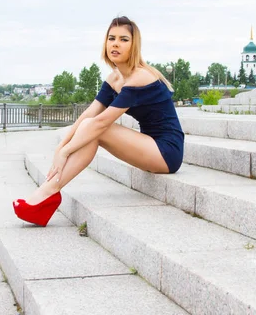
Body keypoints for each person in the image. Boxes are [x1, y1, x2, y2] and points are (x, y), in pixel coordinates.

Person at [13, 16, 185, 226]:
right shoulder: (114, 78)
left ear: (134, 45)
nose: (115, 43)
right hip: (147, 146)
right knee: (89, 126)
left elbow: (101, 122)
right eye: (111, 38)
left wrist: (65, 152)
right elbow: (88, 114)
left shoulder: (141, 77)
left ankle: (48, 192)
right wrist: (60, 146)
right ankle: (47, 194)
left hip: (166, 152)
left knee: (97, 129)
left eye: (124, 39)